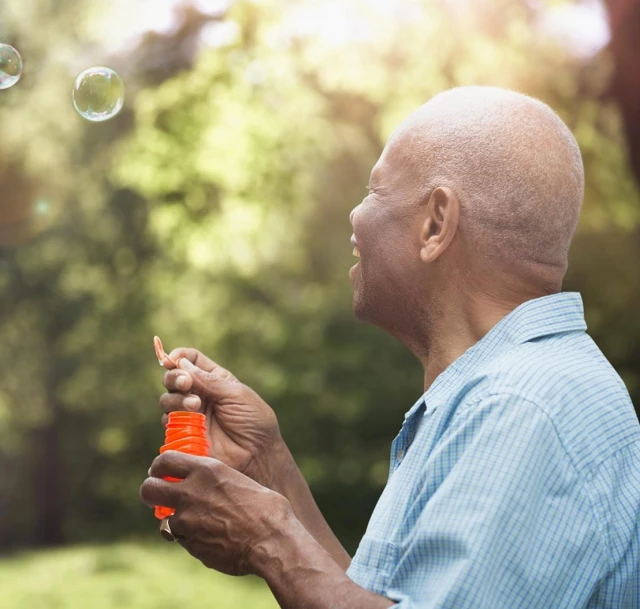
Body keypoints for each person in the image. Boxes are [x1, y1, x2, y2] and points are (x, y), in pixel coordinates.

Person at [140, 86, 640, 608]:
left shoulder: (523, 407)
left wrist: (269, 539)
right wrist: (270, 468)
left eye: (375, 191)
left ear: (435, 224)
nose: (356, 217)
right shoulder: (508, 392)